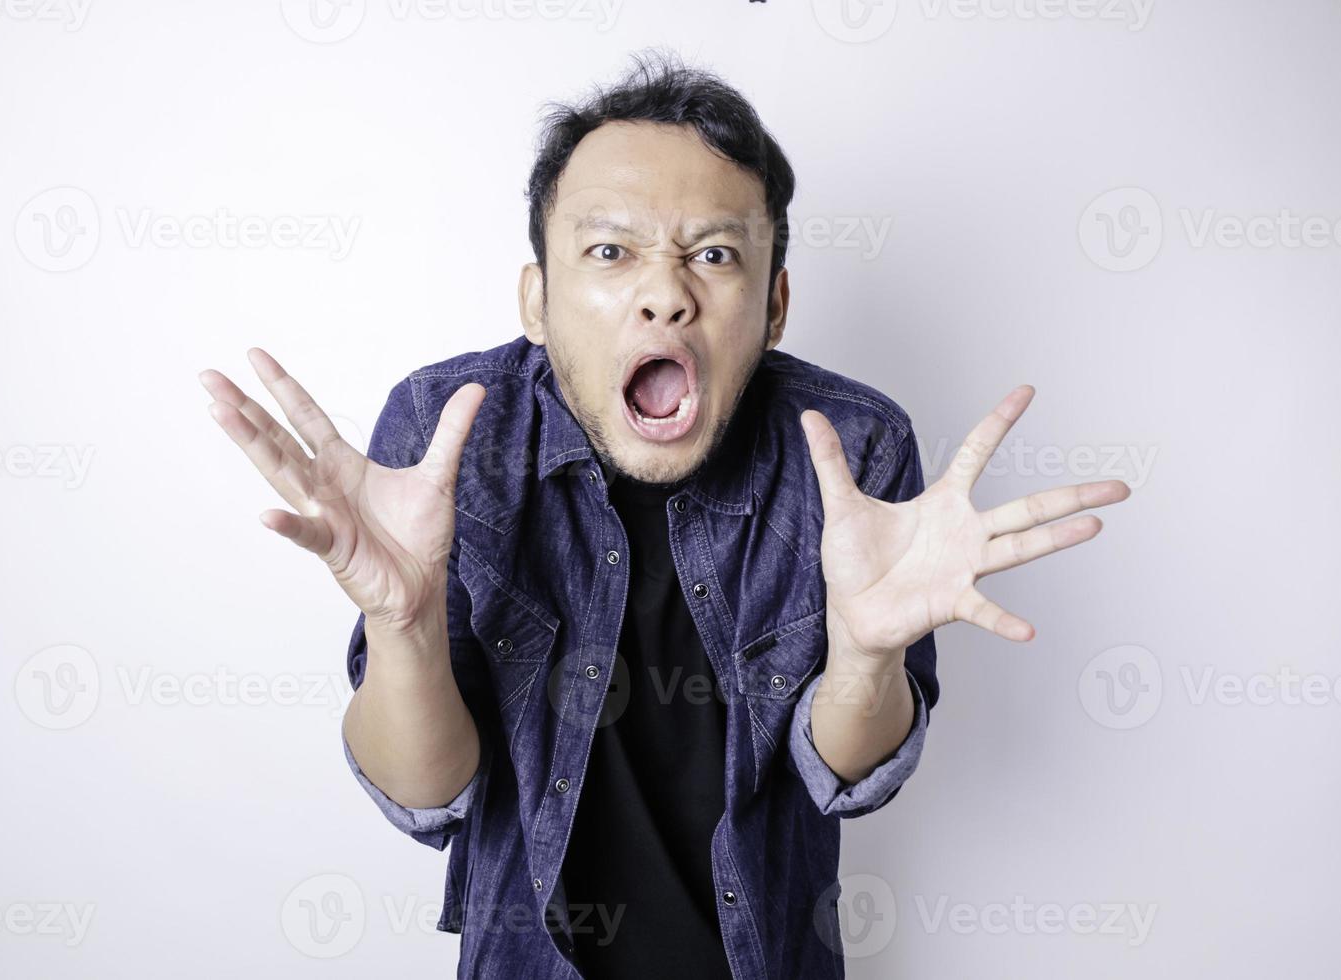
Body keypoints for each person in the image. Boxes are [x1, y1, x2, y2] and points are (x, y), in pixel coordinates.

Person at [200, 51, 1129, 980]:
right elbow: (425, 793)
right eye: (611, 251)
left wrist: (867, 654)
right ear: (537, 298)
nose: (667, 293)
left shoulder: (851, 447)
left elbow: (848, 776)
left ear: (773, 306)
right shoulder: (450, 435)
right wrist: (402, 625)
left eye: (714, 255)